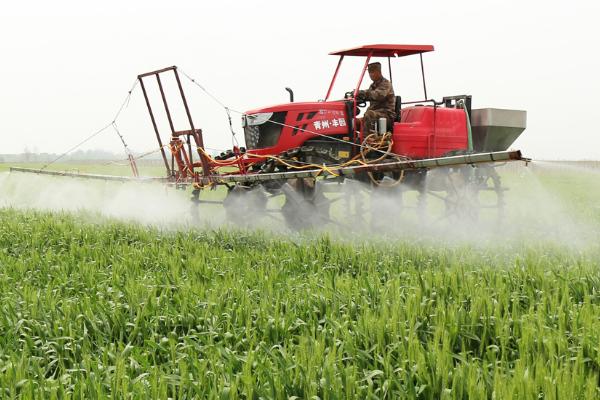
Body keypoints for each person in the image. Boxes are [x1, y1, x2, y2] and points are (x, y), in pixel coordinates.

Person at [357, 62, 395, 135]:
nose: (371, 75)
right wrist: (356, 94)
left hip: (386, 114)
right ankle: (355, 139)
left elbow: (378, 95)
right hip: (376, 113)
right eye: (369, 73)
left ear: (379, 72)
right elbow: (368, 92)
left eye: (373, 72)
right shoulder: (373, 85)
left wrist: (362, 93)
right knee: (355, 121)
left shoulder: (386, 84)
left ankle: (368, 141)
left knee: (369, 114)